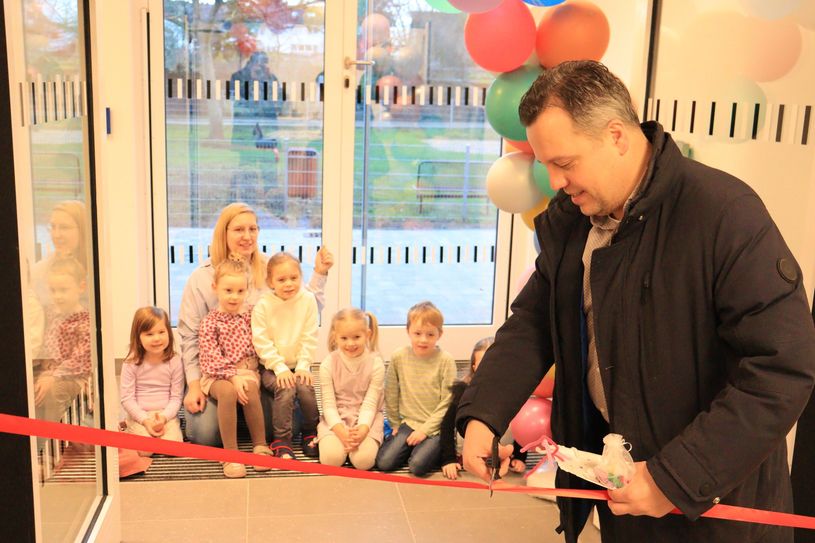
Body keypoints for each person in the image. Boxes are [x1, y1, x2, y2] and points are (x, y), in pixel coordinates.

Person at [456, 60, 815, 543]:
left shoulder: (723, 214)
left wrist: (676, 476)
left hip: (714, 504)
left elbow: (781, 367)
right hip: (623, 493)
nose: (555, 183)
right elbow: (536, 320)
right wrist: (484, 411)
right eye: (545, 166)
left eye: (564, 163)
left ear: (617, 136)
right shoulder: (572, 221)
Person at [178, 202, 333, 447]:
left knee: (287, 429)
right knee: (204, 436)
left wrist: (319, 274)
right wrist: (195, 385)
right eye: (239, 230)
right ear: (224, 233)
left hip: (260, 368)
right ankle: (229, 412)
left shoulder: (271, 268)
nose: (247, 236)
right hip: (217, 374)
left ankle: (249, 414)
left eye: (253, 229)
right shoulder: (201, 277)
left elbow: (303, 308)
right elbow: (189, 338)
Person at [199, 260, 272, 478]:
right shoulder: (210, 321)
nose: (234, 296)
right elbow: (209, 358)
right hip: (216, 375)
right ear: (215, 288)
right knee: (228, 392)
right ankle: (230, 453)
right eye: (228, 290)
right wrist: (232, 376)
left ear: (247, 290)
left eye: (240, 291)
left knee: (249, 388)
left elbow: (261, 342)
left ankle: (260, 446)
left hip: (247, 372)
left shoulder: (251, 315)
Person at [376, 301, 457, 476]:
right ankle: (414, 447)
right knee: (384, 463)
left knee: (417, 467)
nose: (423, 339)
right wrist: (395, 423)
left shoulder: (446, 361)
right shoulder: (399, 356)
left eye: (430, 334)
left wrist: (425, 431)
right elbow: (390, 392)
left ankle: (430, 448)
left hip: (435, 428)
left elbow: (447, 403)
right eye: (417, 333)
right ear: (408, 331)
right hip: (408, 423)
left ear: (439, 334)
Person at [252, 252, 319, 459]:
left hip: (299, 364)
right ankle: (282, 439)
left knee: (306, 388)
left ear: (301, 276)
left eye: (294, 278)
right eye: (281, 280)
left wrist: (303, 365)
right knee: (287, 388)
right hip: (272, 368)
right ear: (270, 282)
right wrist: (280, 367)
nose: (289, 284)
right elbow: (261, 342)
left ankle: (311, 432)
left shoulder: (308, 300)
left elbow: (310, 336)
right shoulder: (263, 305)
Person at [439, 337, 526, 480]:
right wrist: (448, 459)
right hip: (469, 453)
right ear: (474, 367)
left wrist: (520, 457)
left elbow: (523, 426)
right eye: (483, 365)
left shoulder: (513, 394)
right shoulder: (463, 392)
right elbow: (447, 426)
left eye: (494, 364)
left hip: (503, 453)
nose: (490, 371)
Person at [316, 308, 385, 470]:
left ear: (367, 334)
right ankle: (338, 442)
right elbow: (328, 404)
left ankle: (363, 442)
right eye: (344, 338)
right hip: (337, 417)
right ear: (335, 337)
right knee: (331, 460)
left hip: (367, 418)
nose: (350, 343)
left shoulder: (376, 364)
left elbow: (370, 403)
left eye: (356, 337)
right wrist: (341, 432)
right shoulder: (328, 364)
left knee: (364, 462)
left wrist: (362, 431)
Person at [33, 256, 91, 424]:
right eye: (53, 290)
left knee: (54, 390)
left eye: (63, 290)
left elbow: (81, 361)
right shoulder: (52, 313)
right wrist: (44, 372)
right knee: (33, 388)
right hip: (52, 372)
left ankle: (57, 438)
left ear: (80, 288)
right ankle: (36, 436)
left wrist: (53, 376)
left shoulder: (84, 320)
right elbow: (46, 348)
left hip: (77, 377)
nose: (57, 296)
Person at [120, 306, 184, 455]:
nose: (157, 338)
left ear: (169, 332)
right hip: (140, 415)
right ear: (138, 337)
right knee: (144, 450)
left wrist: (163, 417)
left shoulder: (174, 361)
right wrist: (145, 420)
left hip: (165, 414)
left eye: (161, 332)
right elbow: (127, 399)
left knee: (173, 449)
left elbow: (176, 398)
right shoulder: (131, 363)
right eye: (149, 334)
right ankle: (129, 428)